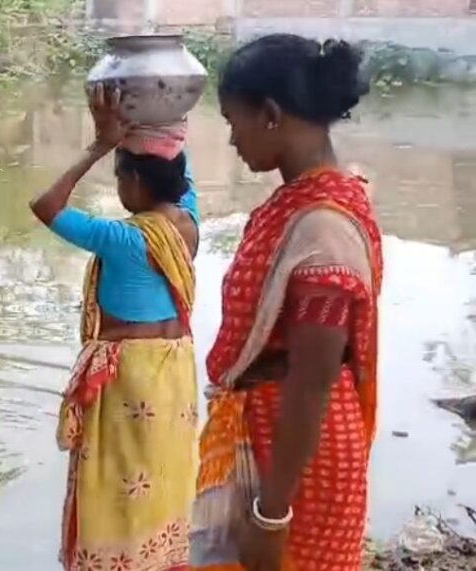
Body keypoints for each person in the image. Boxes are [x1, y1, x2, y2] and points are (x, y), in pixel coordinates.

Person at [190, 35, 380, 571]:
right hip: (269, 434)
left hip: (299, 462)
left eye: (234, 121)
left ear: (271, 115)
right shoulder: (308, 201)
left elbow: (312, 379)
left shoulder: (324, 226)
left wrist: (272, 513)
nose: (231, 140)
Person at [30, 84, 200, 570]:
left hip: (129, 377)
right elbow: (177, 171)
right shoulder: (189, 223)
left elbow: (47, 206)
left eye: (120, 177)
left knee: (115, 479)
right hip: (173, 371)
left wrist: (101, 144)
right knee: (161, 473)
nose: (119, 188)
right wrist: (156, 127)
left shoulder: (123, 237)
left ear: (139, 183)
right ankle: (160, 558)